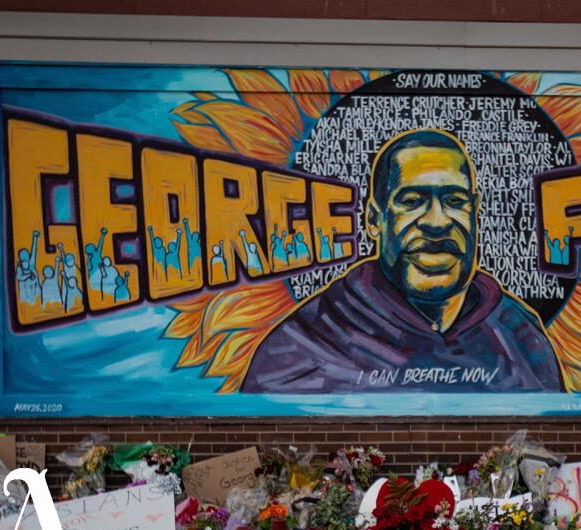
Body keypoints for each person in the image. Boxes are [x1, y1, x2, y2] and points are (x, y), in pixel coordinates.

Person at [240, 128, 563, 393]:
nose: (437, 223)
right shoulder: (303, 344)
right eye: (412, 201)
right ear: (373, 219)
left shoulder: (519, 337)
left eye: (454, 200)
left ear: (475, 212)